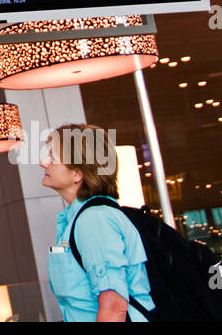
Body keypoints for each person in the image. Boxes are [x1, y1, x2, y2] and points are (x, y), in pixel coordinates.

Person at [40, 123, 155, 322]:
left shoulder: (94, 220)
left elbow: (114, 307)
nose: (43, 162)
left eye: (53, 157)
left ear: (78, 174)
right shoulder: (75, 220)